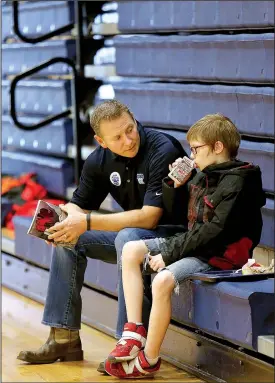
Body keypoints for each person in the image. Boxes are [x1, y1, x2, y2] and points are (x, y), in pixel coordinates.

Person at [17, 100, 191, 365]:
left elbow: (149, 217)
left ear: (133, 119)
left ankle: (127, 344)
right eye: (117, 137)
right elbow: (78, 205)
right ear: (101, 141)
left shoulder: (163, 149)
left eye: (130, 129)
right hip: (134, 238)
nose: (129, 140)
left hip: (172, 239)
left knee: (127, 237)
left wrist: (85, 222)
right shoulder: (98, 161)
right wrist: (63, 223)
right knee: (70, 240)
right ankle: (64, 340)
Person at [104, 113, 266, 379]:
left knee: (162, 281)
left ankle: (150, 358)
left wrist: (167, 254)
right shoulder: (205, 174)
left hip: (221, 255)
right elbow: (181, 217)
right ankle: (133, 331)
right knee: (131, 248)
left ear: (217, 147)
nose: (192, 155)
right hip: (199, 245)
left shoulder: (239, 181)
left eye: (196, 149)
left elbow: (214, 233)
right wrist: (174, 185)